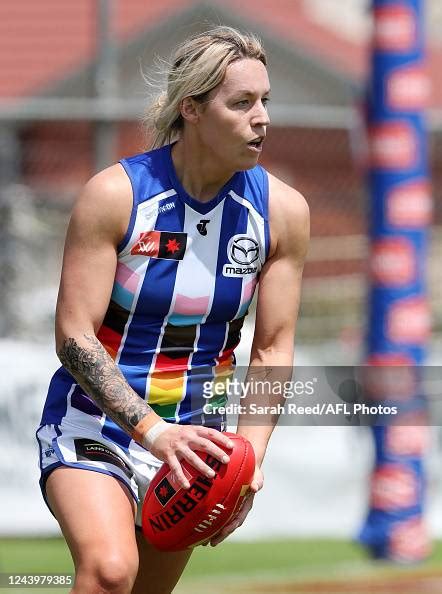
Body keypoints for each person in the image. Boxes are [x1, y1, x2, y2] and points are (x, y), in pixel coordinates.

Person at [36, 26, 309, 594]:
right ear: (191, 109)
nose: (262, 118)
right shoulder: (116, 195)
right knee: (111, 572)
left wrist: (248, 460)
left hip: (199, 441)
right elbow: (74, 336)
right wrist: (154, 433)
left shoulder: (282, 212)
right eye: (241, 103)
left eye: (265, 102)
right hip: (99, 422)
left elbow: (273, 347)